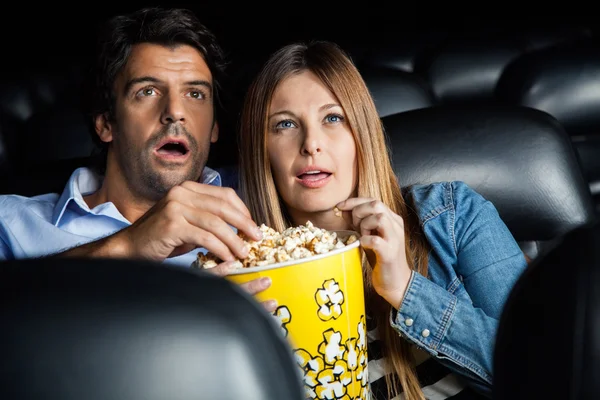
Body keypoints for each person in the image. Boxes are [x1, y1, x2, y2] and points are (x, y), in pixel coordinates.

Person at [237, 41, 528, 399]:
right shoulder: (238, 270)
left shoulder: (453, 216)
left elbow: (539, 372)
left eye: (333, 118)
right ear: (261, 149)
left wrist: (406, 290)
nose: (311, 143)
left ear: (362, 133)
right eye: (284, 124)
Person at [0, 7, 274, 311]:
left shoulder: (265, 203)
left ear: (213, 127)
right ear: (105, 123)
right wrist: (129, 245)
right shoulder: (10, 222)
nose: (175, 111)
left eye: (195, 94)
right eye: (148, 91)